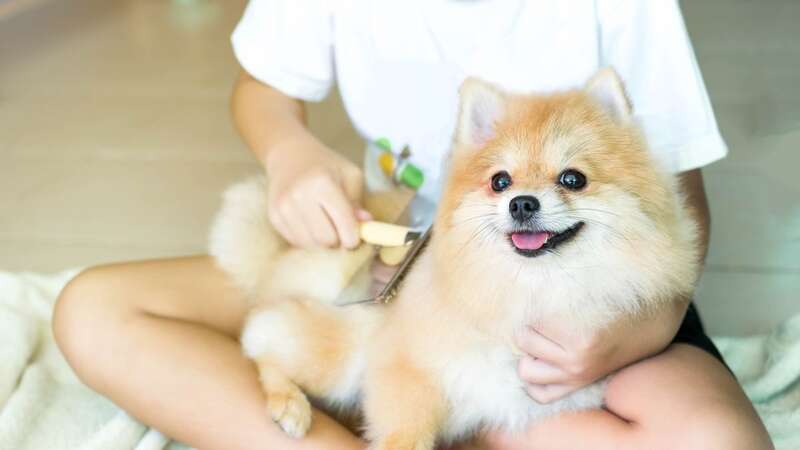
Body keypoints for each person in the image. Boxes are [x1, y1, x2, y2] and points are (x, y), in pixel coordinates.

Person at [53, 1, 773, 449]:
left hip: (580, 296)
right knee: (94, 311)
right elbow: (261, 89)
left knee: (719, 440)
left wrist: (634, 332)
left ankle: (434, 418)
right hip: (383, 261)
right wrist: (289, 152)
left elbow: (680, 202)